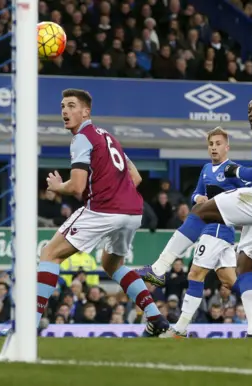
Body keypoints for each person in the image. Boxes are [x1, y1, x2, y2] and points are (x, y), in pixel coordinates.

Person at [137, 95, 252, 338]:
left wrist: (237, 170)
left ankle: (159, 271)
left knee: (201, 219)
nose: (251, 114)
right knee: (243, 271)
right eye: (249, 110)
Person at [35, 88, 169, 337]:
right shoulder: (108, 137)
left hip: (104, 209)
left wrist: (56, 187)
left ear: (86, 112)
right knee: (112, 264)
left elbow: (76, 187)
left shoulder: (81, 139)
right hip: (132, 211)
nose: (65, 110)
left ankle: (29, 324)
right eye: (63, 105)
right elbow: (136, 178)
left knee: (49, 253)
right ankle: (156, 318)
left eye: (72, 105)